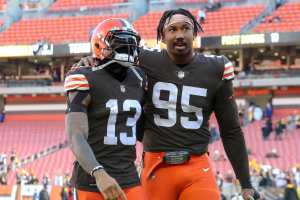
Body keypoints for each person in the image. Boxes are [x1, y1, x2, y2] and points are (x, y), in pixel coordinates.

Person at [73, 8, 260, 200]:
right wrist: (92, 60)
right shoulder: (144, 59)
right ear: (162, 36)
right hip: (156, 165)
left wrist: (246, 183)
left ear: (194, 33)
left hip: (197, 166)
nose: (179, 34)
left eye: (185, 28)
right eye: (172, 29)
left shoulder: (217, 68)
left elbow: (231, 130)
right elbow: (113, 53)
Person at [65, 18, 147, 200]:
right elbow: (75, 135)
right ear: (98, 45)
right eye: (120, 45)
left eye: (129, 44)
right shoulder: (83, 77)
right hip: (92, 180)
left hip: (128, 176)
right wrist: (98, 172)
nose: (126, 50)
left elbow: (144, 129)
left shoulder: (140, 78)